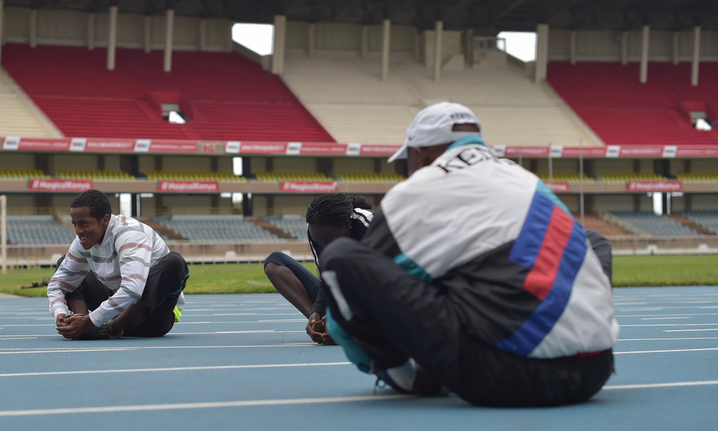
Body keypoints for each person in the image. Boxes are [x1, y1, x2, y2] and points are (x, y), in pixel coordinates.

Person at [318, 102, 619, 407]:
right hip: (595, 370)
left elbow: (352, 301)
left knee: (340, 257)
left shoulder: (417, 190)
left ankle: (405, 376)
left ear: (419, 154)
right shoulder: (527, 181)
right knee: (589, 241)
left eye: (406, 162)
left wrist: (370, 359)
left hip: (506, 374)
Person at [48, 189, 188, 340]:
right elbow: (57, 285)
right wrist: (61, 315)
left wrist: (90, 321)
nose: (78, 231)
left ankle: (110, 328)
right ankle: (80, 323)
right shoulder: (83, 241)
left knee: (174, 262)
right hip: (112, 309)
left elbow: (133, 290)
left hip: (148, 317)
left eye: (84, 224)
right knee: (65, 264)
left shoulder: (130, 234)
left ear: (105, 220)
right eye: (75, 224)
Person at [263, 194, 372, 344]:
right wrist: (316, 312)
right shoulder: (317, 228)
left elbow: (382, 283)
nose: (325, 248)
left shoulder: (369, 224)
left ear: (347, 225)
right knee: (274, 263)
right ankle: (324, 327)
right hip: (342, 298)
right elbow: (326, 280)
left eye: (328, 242)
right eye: (320, 242)